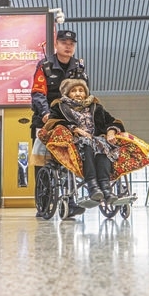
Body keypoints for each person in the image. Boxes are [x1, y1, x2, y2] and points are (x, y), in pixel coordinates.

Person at [31, 30, 87, 217]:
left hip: (70, 121)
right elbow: (38, 93)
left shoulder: (79, 68)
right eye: (64, 42)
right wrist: (45, 113)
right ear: (56, 45)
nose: (68, 46)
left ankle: (70, 201)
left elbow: (84, 93)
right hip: (46, 120)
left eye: (71, 43)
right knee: (42, 161)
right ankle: (43, 202)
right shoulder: (45, 66)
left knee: (71, 158)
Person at [45, 78, 124, 205]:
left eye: (81, 90)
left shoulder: (96, 107)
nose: (78, 93)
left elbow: (113, 121)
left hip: (96, 140)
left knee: (103, 146)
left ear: (86, 93)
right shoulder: (59, 107)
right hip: (74, 142)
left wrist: (111, 131)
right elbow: (52, 122)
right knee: (86, 144)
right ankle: (93, 187)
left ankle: (106, 189)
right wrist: (75, 129)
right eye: (73, 91)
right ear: (67, 93)